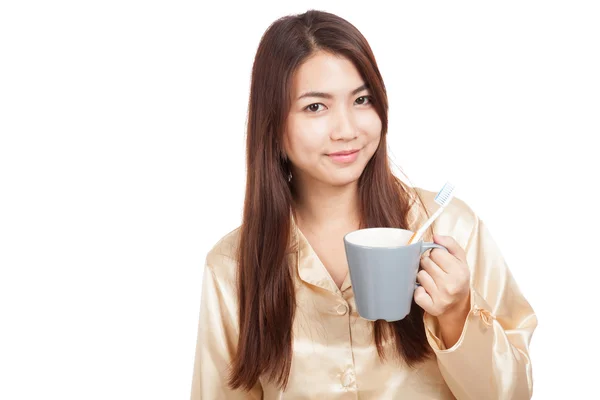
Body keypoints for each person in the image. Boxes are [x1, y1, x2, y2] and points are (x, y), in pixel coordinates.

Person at [191, 9, 537, 400]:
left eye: (362, 99)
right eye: (315, 107)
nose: (347, 130)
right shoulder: (232, 265)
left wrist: (458, 315)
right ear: (273, 123)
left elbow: (512, 393)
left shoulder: (448, 229)